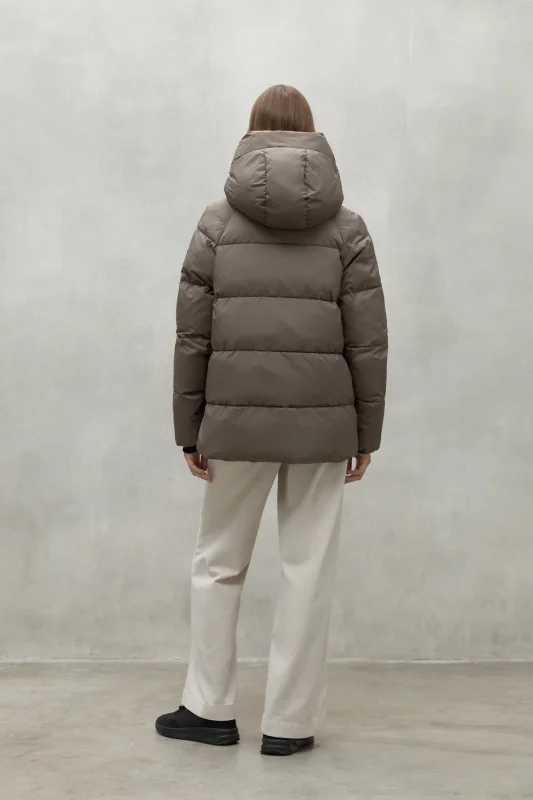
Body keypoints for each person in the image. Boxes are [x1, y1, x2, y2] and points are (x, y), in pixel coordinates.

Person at [155, 84, 388, 756]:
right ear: (311, 136)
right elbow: (368, 340)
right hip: (322, 426)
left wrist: (189, 426)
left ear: (252, 136)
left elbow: (192, 336)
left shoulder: (215, 224)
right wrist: (365, 433)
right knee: (307, 569)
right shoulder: (347, 229)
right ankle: (289, 723)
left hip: (234, 422)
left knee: (218, 562)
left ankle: (208, 709)